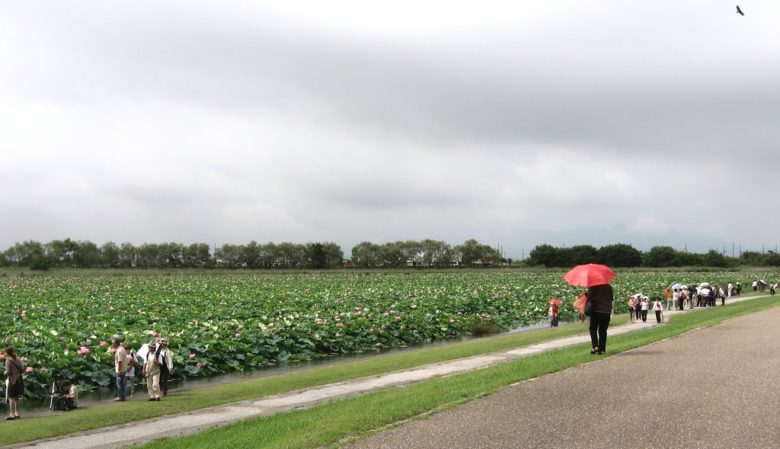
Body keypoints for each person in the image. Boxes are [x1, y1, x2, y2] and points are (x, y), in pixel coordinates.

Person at [586, 283, 614, 355]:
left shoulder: (593, 286)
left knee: (593, 328)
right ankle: (602, 349)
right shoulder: (608, 286)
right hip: (607, 311)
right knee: (603, 331)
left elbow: (589, 298)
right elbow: (611, 298)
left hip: (597, 310)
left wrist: (587, 294)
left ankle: (595, 346)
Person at [4, 346, 23, 420]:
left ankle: (12, 414)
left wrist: (4, 372)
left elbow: (8, 372)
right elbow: (21, 370)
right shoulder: (17, 360)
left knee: (11, 397)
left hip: (12, 381)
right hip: (19, 380)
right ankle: (17, 413)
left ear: (7, 353)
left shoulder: (8, 360)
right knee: (16, 397)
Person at [110, 335, 127, 402]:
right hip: (123, 369)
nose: (112, 344)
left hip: (120, 370)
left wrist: (119, 370)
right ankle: (122, 396)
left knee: (119, 384)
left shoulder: (119, 350)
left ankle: (120, 397)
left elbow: (120, 361)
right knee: (122, 384)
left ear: (116, 343)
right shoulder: (121, 349)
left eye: (113, 343)